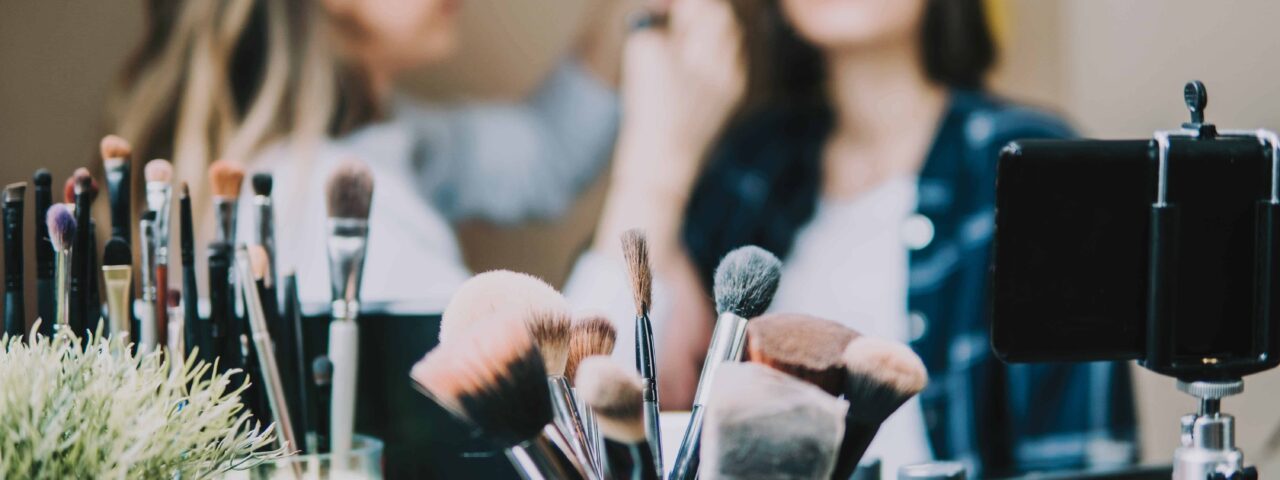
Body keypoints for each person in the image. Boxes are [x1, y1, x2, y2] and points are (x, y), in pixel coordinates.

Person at [565, 0, 1137, 476]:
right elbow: (593, 418)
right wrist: (654, 168)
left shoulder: (1029, 168)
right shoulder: (747, 174)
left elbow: (1079, 456)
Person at [106, 0, 626, 311]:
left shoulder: (386, 131)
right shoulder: (315, 198)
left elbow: (543, 155)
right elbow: (545, 428)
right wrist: (657, 184)